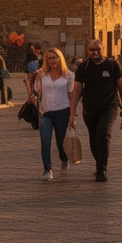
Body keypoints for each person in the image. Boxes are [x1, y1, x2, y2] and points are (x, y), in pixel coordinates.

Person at [70, 39, 122, 181]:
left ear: (104, 49)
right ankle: (99, 162)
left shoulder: (113, 65)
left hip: (109, 107)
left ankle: (102, 169)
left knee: (103, 134)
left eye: (98, 49)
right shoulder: (83, 67)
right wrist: (72, 112)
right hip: (89, 109)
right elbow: (76, 90)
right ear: (88, 51)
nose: (95, 52)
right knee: (94, 139)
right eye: (92, 50)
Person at [28, 48, 74, 180]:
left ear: (60, 58)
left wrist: (72, 114)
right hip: (46, 112)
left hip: (62, 111)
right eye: (49, 59)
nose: (52, 61)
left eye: (55, 58)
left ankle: (64, 159)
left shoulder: (69, 76)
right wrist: (32, 84)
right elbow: (36, 90)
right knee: (45, 141)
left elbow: (71, 95)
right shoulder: (42, 75)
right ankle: (47, 169)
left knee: (60, 143)